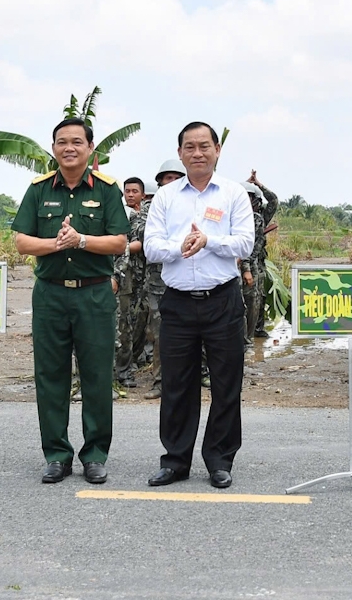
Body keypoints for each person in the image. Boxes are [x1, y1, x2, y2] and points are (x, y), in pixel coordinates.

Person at [12, 118, 129, 485]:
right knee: (50, 376)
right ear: (53, 149)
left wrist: (80, 241)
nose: (69, 148)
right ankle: (56, 455)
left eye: (77, 141)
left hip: (94, 293)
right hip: (50, 294)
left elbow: (119, 242)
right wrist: (55, 245)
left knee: (96, 376)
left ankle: (95, 455)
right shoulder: (38, 189)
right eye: (62, 142)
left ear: (90, 148)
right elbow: (21, 240)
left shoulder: (108, 190)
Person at [143, 122, 254, 489]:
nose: (197, 153)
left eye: (204, 146)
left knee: (226, 384)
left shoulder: (234, 194)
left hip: (222, 299)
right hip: (176, 304)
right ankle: (175, 461)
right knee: (177, 384)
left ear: (217, 150)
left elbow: (245, 244)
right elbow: (150, 246)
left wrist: (209, 241)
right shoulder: (166, 196)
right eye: (189, 147)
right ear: (180, 153)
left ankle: (219, 460)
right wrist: (181, 247)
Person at [142, 160, 186, 400]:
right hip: (158, 282)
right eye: (167, 178)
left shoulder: (191, 203)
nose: (171, 182)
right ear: (159, 182)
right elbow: (147, 240)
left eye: (176, 177)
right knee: (160, 333)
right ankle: (160, 381)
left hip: (187, 280)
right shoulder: (153, 208)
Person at [113, 176, 147, 389]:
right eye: (127, 191)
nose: (130, 194)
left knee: (127, 326)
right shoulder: (118, 215)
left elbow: (138, 244)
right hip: (110, 278)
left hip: (131, 278)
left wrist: (117, 247)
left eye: (135, 191)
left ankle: (125, 371)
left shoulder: (140, 218)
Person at [240, 171, 279, 344]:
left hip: (256, 260)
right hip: (240, 261)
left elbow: (274, 201)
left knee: (258, 296)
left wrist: (258, 185)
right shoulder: (235, 214)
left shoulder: (259, 216)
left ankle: (256, 329)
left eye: (249, 197)